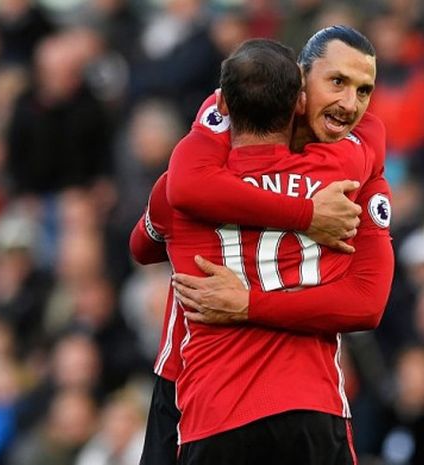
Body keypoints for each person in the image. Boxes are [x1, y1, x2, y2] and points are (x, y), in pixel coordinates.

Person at [131, 33, 392, 464]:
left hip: (213, 403)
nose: (350, 104)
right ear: (300, 88)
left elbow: (145, 240)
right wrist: (306, 214)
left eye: (364, 90)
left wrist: (248, 303)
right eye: (338, 83)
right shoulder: (348, 176)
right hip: (193, 384)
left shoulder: (198, 168)